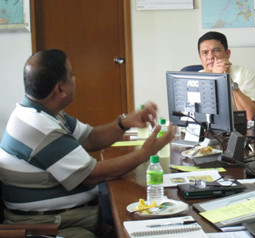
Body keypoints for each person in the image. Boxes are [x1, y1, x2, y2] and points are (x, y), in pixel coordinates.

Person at [0, 49, 176, 238]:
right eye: (72, 75)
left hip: (71, 215)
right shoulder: (38, 127)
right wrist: (145, 153)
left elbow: (90, 138)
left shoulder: (42, 112)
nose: (76, 79)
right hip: (48, 225)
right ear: (60, 89)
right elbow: (91, 175)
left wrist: (123, 122)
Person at [197, 31, 255, 121]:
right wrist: (215, 77)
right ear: (200, 58)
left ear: (227, 54)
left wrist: (226, 79)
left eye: (216, 50)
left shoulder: (243, 72)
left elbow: (250, 116)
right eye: (205, 52)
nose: (210, 56)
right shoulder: (195, 79)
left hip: (238, 131)